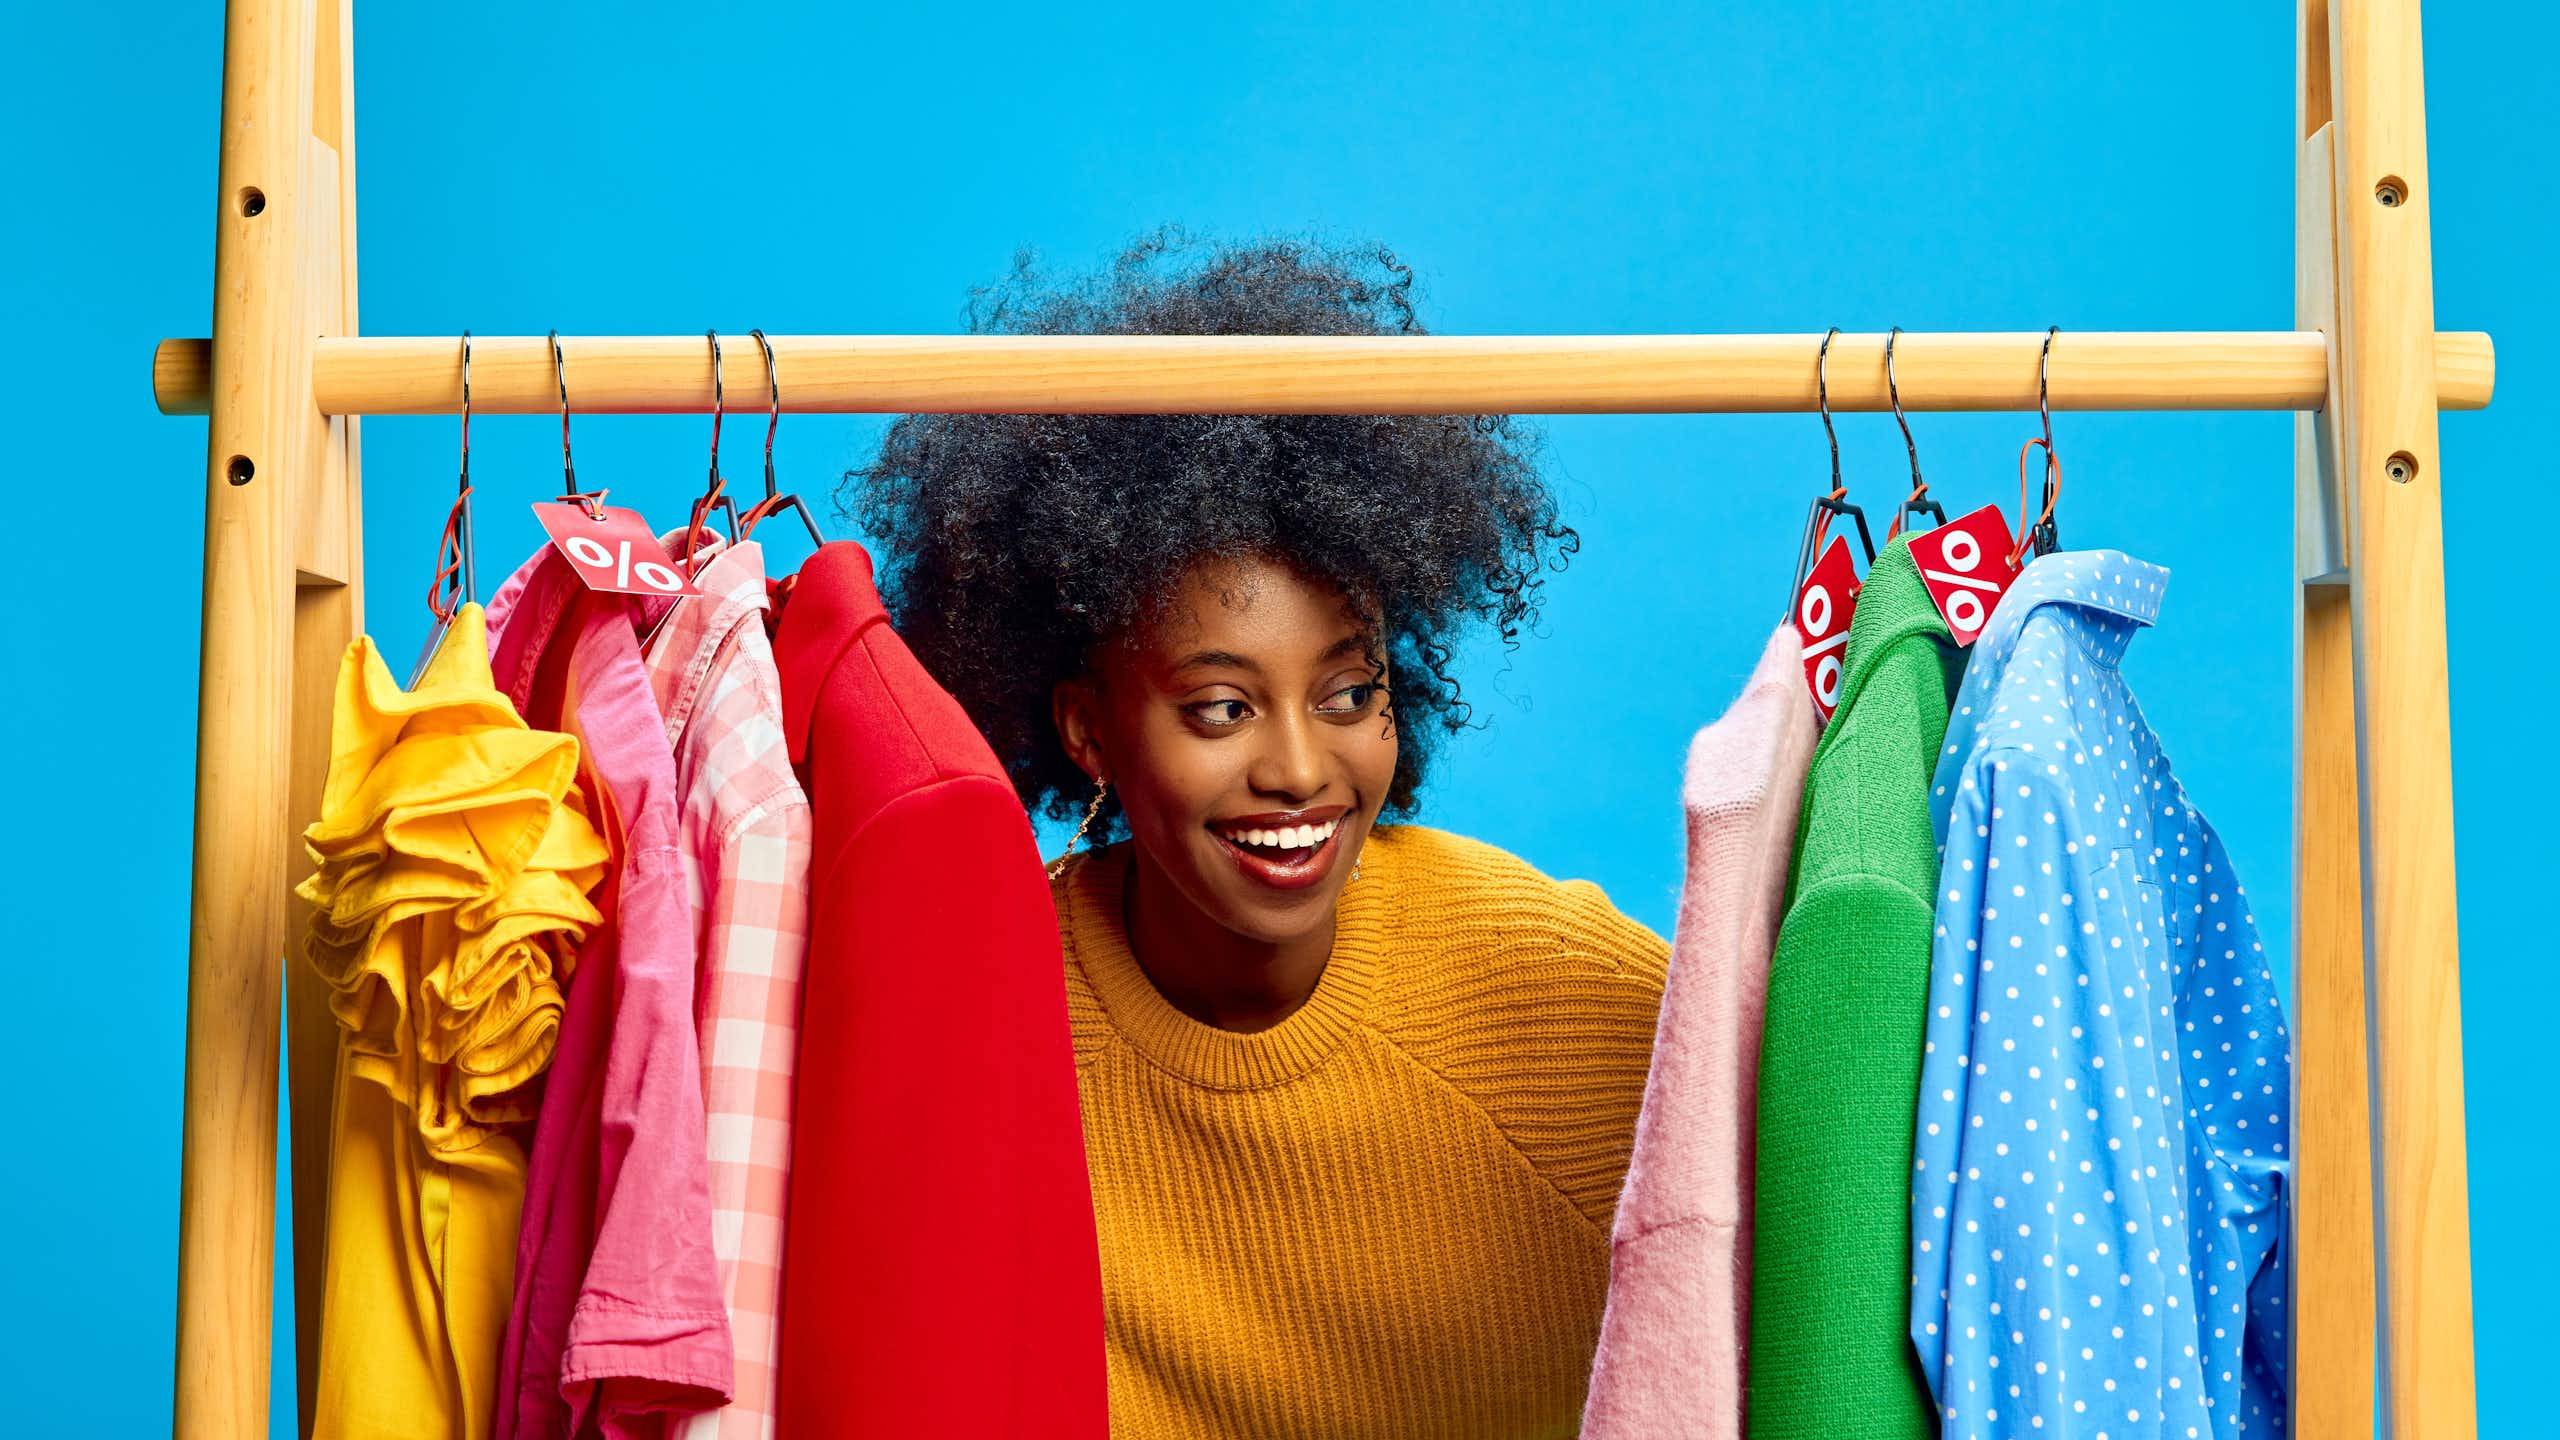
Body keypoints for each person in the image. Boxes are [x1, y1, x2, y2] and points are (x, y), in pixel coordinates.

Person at [848, 231, 1670, 1439]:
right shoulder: (982, 1007)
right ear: (1084, 727)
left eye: (1347, 696)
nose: (1297, 771)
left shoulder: (1556, 994)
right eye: (1220, 708)